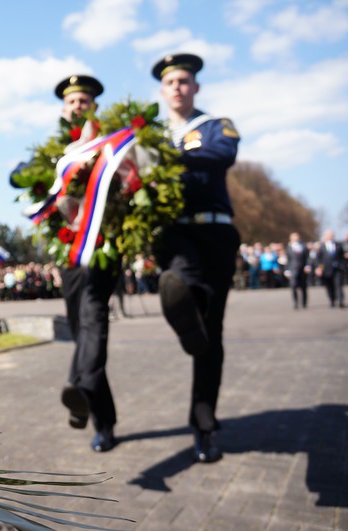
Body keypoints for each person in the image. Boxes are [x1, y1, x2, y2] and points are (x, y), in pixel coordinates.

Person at [152, 53, 241, 463]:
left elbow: (223, 155)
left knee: (211, 334)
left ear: (196, 87)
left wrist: (169, 156)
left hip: (216, 231)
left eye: (185, 81)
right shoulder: (146, 135)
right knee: (179, 281)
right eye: (171, 82)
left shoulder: (215, 125)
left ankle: (204, 426)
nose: (178, 88)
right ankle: (182, 309)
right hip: (176, 231)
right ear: (162, 89)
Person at [38, 74, 120, 453]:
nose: (78, 106)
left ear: (94, 106)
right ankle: (96, 406)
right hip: (69, 251)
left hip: (101, 247)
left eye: (84, 101)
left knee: (92, 318)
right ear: (63, 108)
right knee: (78, 327)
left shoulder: (110, 141)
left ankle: (85, 393)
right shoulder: (55, 150)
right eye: (72, 102)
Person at [315, 229, 345, 308]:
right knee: (329, 286)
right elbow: (319, 259)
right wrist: (319, 268)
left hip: (337, 269)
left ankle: (341, 301)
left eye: (331, 235)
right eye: (328, 235)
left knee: (338, 285)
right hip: (326, 270)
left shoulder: (338, 245)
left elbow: (342, 257)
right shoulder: (322, 246)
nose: (330, 237)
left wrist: (342, 264)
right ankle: (332, 300)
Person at [286, 232, 310, 309]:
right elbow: (288, 260)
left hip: (302, 269)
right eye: (293, 237)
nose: (295, 238)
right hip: (293, 269)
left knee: (303, 286)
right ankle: (295, 302)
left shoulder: (303, 246)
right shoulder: (289, 247)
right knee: (293, 286)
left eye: (296, 236)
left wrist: (307, 266)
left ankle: (304, 303)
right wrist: (287, 270)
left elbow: (307, 257)